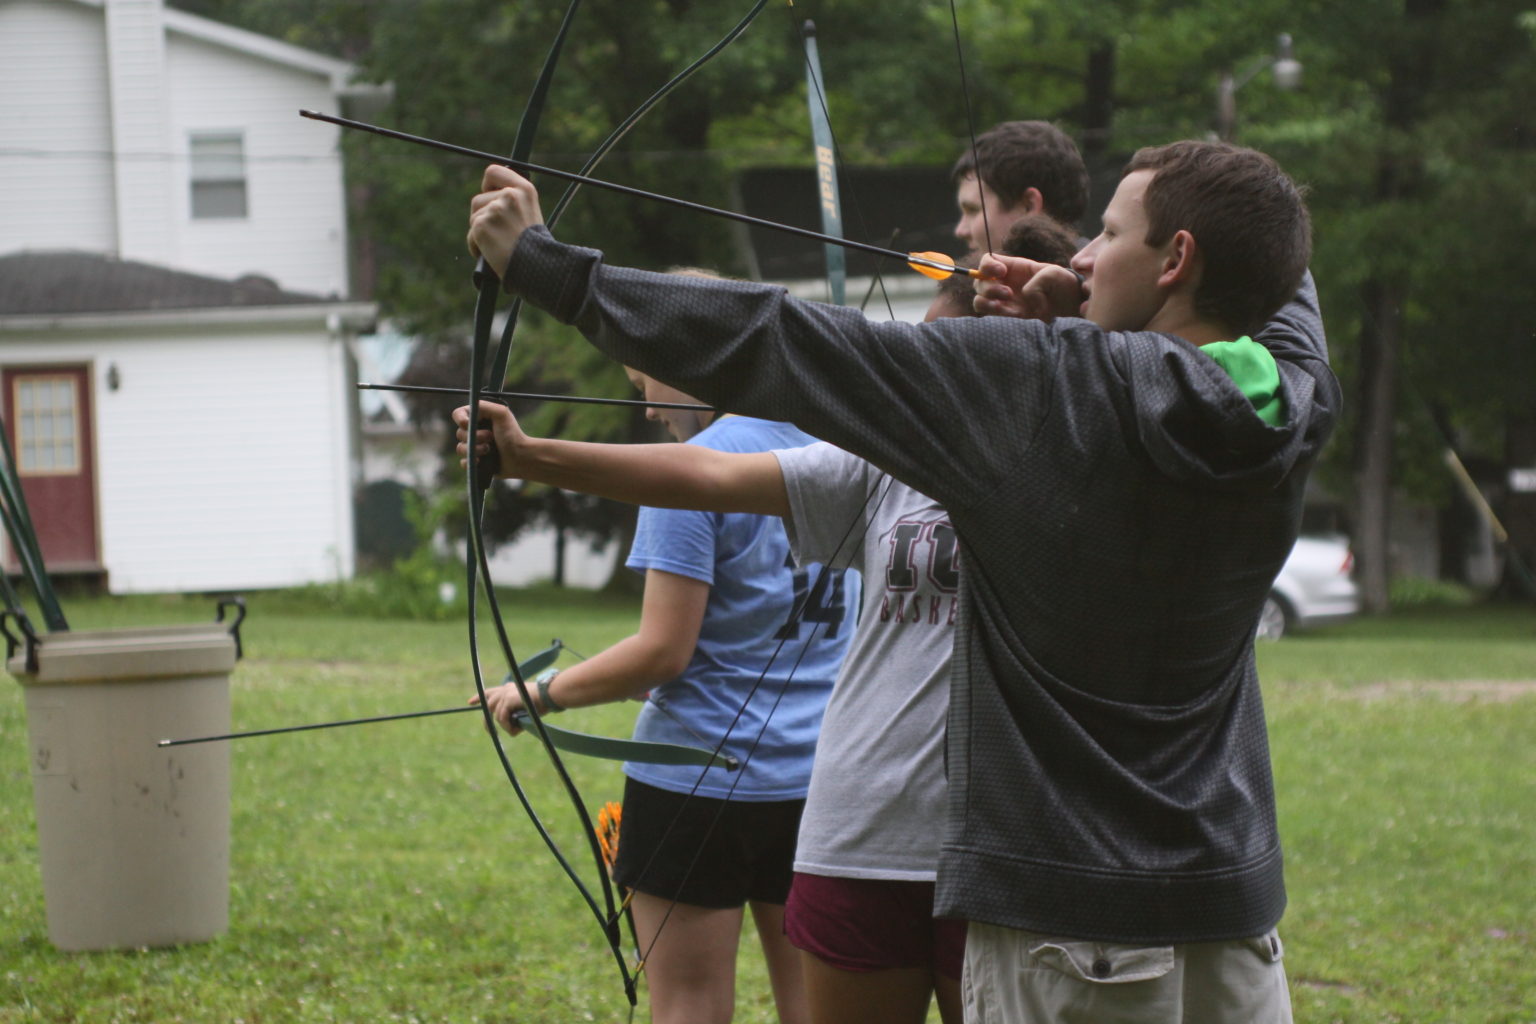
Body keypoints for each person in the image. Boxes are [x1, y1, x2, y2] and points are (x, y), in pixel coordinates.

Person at [464, 138, 1337, 1023]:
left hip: (1066, 919)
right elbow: (1276, 268)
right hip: (1231, 902)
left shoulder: (1034, 387)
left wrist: (552, 269)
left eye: (1106, 235)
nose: (1081, 253)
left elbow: (782, 337)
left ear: (1177, 259)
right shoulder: (1297, 398)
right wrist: (1108, 289)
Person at [469, 358, 855, 1024]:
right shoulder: (839, 451)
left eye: (646, 381)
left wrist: (540, 694)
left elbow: (660, 653)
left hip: (693, 786)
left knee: (689, 1006)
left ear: (692, 359)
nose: (646, 408)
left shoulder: (691, 470)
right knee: (816, 1009)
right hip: (820, 780)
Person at [951, 120, 1090, 256]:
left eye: (973, 210)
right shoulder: (1093, 273)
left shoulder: (1092, 278)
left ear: (1029, 206)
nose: (960, 231)